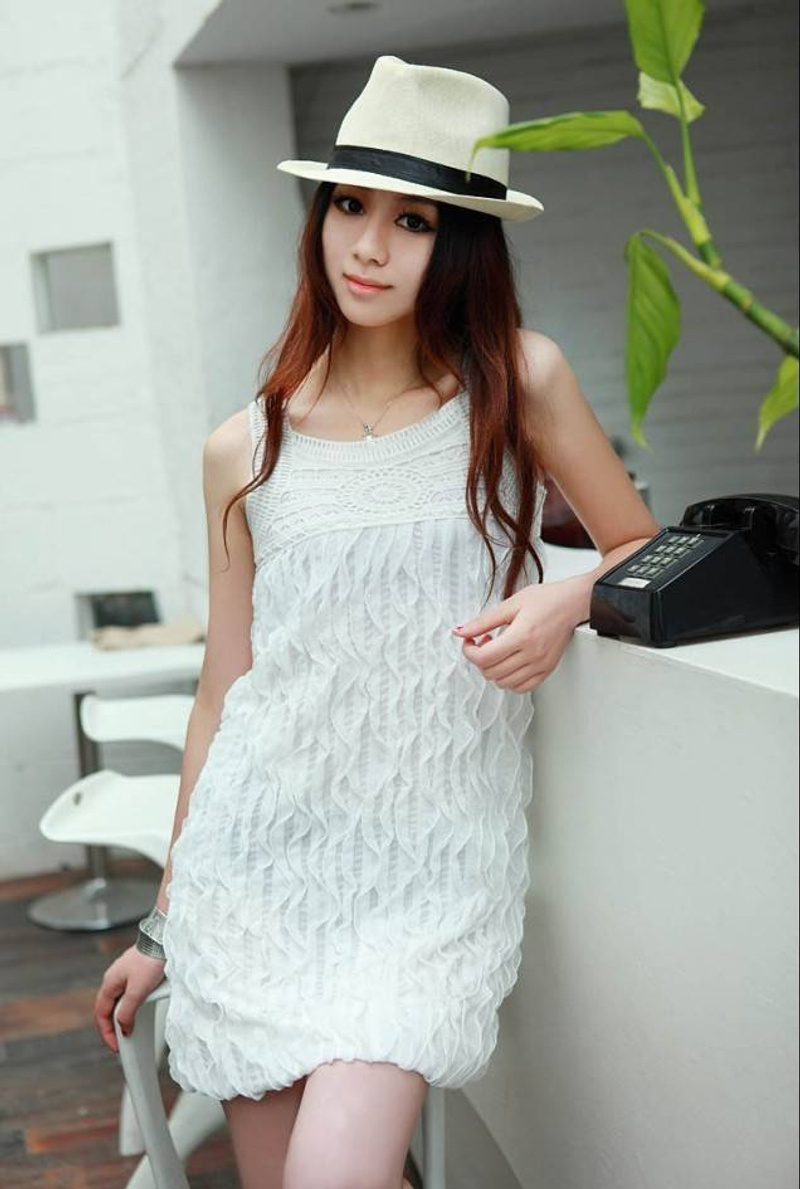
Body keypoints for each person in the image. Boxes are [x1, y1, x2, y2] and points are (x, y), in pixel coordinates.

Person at [94, 54, 660, 1189]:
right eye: (349, 205)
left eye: (412, 220)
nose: (367, 246)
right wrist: (166, 917)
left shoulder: (518, 382)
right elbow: (225, 692)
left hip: (427, 879)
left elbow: (641, 547)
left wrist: (564, 600)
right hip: (258, 870)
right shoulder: (242, 449)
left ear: (461, 243)